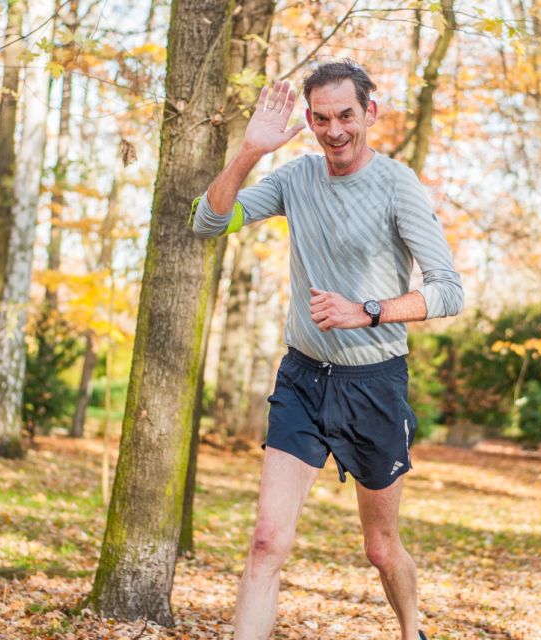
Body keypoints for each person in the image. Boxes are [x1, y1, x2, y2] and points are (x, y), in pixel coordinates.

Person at [191, 60, 462, 640]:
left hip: (375, 384)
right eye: (321, 118)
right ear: (307, 119)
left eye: (345, 115)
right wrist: (249, 151)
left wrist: (366, 311)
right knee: (266, 541)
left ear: (370, 111)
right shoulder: (296, 180)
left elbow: (448, 291)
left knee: (380, 548)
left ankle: (412, 631)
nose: (334, 130)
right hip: (304, 381)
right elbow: (209, 222)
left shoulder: (397, 185)